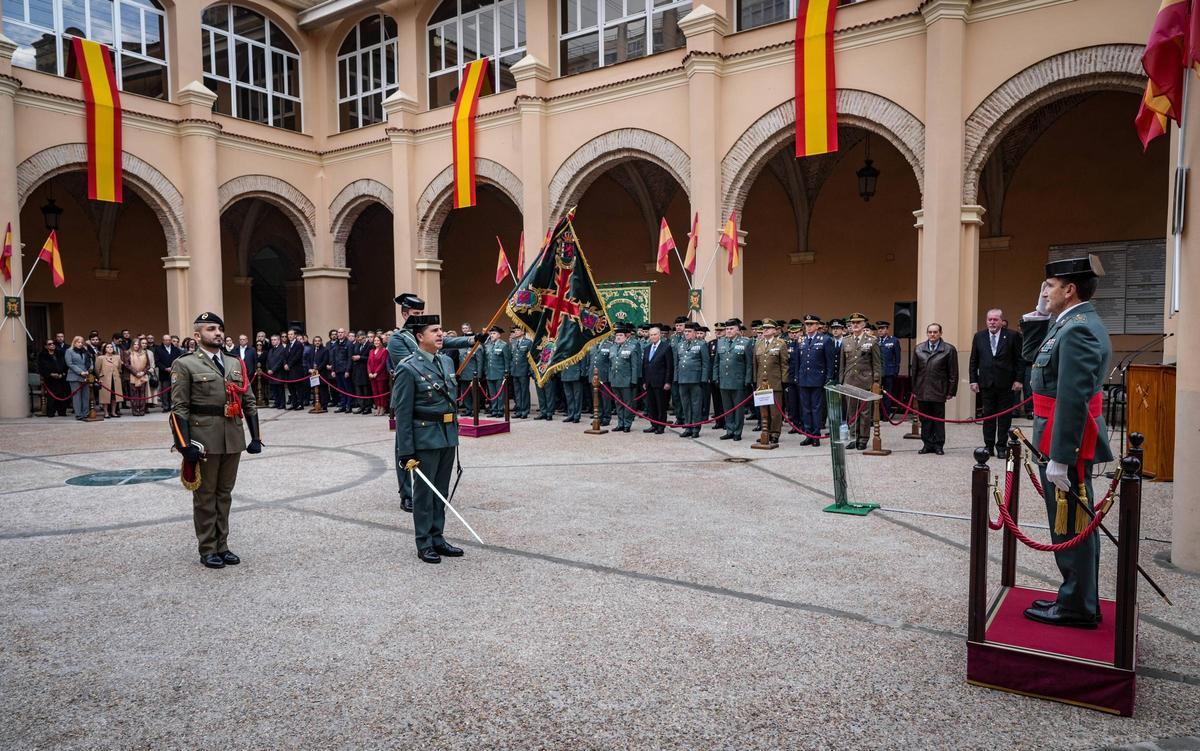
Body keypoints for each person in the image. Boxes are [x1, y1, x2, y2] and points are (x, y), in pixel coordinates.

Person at [1020, 255, 1112, 629]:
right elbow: (1033, 359)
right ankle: (1076, 596)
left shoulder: (1078, 329)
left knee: (1070, 521)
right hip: (1058, 430)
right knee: (1072, 520)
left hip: (1066, 436)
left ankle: (1077, 607)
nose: (1045, 291)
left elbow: (1073, 397)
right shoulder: (1070, 323)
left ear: (1070, 289)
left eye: (1051, 287)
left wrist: (1060, 456)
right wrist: (1038, 318)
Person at [169, 311, 263, 570]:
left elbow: (249, 401)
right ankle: (208, 548)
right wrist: (184, 444)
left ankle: (223, 545)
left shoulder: (235, 363)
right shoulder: (186, 364)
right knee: (205, 496)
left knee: (224, 494)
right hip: (204, 438)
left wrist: (255, 437)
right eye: (211, 329)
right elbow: (179, 408)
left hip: (232, 436)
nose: (218, 333)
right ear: (198, 335)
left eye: (220, 328)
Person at [392, 314, 467, 565]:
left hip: (447, 435)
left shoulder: (445, 362)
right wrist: (406, 451)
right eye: (434, 330)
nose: (440, 334)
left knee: (441, 492)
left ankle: (438, 537)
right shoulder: (408, 367)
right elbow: (402, 413)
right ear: (419, 337)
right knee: (424, 494)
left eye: (441, 330)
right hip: (424, 437)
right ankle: (423, 542)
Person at [970, 308, 1025, 458]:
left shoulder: (1013, 336)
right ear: (986, 321)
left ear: (1001, 321)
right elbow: (974, 360)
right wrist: (973, 380)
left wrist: (1019, 380)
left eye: (995, 320)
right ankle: (988, 446)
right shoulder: (979, 336)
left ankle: (1001, 446)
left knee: (1004, 417)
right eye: (990, 319)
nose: (992, 322)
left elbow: (1019, 360)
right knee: (988, 416)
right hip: (986, 383)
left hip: (1006, 384)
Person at [912, 323, 958, 455]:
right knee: (925, 419)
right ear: (927, 333)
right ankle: (927, 444)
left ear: (940, 333)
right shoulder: (919, 349)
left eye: (935, 332)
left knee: (938, 419)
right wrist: (914, 389)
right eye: (930, 332)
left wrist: (951, 391)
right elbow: (914, 371)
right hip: (922, 390)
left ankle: (938, 445)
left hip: (939, 389)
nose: (932, 334)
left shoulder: (949, 349)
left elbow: (953, 373)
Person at [839, 313, 881, 451]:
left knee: (864, 412)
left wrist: (876, 382)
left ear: (864, 325)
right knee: (852, 412)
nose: (855, 325)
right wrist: (841, 382)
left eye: (858, 322)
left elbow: (876, 364)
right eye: (853, 322)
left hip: (865, 380)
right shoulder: (845, 341)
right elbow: (842, 364)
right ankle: (853, 438)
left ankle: (863, 439)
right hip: (849, 380)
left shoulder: (872, 341)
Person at [794, 314, 837, 446]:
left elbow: (830, 362)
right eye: (806, 324)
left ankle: (816, 435)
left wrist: (829, 378)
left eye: (811, 324)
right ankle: (808, 434)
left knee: (816, 408)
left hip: (818, 379)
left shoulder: (825, 340)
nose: (808, 327)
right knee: (805, 408)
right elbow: (797, 361)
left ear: (818, 326)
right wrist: (797, 376)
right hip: (804, 379)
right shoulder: (801, 340)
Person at [714, 319, 753, 441]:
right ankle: (729, 430)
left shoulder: (746, 342)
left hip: (738, 381)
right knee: (727, 408)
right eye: (727, 329)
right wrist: (715, 377)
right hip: (724, 380)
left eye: (731, 329)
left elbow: (749, 364)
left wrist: (747, 380)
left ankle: (737, 431)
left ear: (737, 330)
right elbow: (716, 362)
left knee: (738, 408)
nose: (729, 331)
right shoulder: (721, 342)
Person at [752, 319, 788, 444]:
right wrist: (755, 380)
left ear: (774, 330)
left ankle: (775, 433)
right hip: (761, 383)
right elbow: (755, 364)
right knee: (763, 409)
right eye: (764, 327)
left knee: (775, 411)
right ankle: (765, 432)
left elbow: (784, 364)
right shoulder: (758, 344)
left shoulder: (781, 344)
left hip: (775, 382)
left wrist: (784, 381)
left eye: (768, 328)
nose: (765, 330)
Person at [674, 322, 710, 438]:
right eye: (686, 332)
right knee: (685, 404)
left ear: (695, 333)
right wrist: (676, 378)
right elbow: (677, 363)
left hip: (696, 379)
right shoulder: (680, 345)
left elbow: (705, 363)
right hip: (682, 379)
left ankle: (696, 428)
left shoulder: (701, 344)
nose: (687, 334)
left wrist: (704, 379)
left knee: (696, 405)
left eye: (689, 332)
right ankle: (688, 426)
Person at [608, 324, 641, 432]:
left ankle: (627, 424)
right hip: (615, 380)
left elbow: (634, 366)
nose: (618, 337)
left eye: (620, 335)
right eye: (617, 335)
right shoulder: (612, 347)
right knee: (618, 403)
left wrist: (634, 380)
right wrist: (610, 378)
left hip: (626, 380)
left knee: (627, 403)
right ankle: (620, 423)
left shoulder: (632, 347)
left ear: (626, 337)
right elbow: (610, 365)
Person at [641, 325, 674, 434]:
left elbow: (669, 366)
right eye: (651, 335)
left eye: (655, 334)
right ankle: (653, 425)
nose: (653, 336)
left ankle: (661, 426)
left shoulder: (666, 347)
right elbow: (645, 366)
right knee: (651, 406)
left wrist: (668, 381)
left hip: (661, 382)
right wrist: (645, 381)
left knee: (661, 406)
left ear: (659, 335)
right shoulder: (647, 348)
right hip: (650, 382)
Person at [483, 325, 511, 418]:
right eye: (491, 333)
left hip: (499, 373)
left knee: (500, 394)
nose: (491, 335)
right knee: (492, 394)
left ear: (499, 335)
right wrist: (486, 371)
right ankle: (494, 410)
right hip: (490, 373)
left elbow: (507, 360)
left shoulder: (503, 345)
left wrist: (506, 372)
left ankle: (500, 410)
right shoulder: (488, 345)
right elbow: (486, 360)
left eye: (494, 333)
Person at [38, 340, 70, 416]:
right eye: (49, 344)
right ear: (46, 346)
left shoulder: (60, 354)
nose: (52, 345)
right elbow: (41, 368)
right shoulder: (42, 355)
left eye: (53, 344)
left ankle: (62, 411)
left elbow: (65, 365)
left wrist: (62, 374)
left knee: (62, 394)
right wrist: (50, 374)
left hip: (61, 378)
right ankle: (51, 412)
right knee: (52, 396)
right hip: (50, 379)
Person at [589, 334, 615, 426]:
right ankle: (598, 416)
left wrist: (609, 376)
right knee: (596, 398)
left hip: (604, 377)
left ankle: (606, 418)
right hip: (593, 377)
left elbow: (611, 362)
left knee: (605, 398)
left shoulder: (610, 345)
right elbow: (590, 361)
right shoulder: (592, 345)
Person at [877, 321, 901, 418]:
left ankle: (886, 414)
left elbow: (897, 358)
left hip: (888, 372)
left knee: (887, 394)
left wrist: (896, 371)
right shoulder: (875, 340)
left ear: (887, 330)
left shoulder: (893, 341)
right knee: (876, 394)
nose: (880, 331)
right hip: (877, 372)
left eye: (882, 328)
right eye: (879, 329)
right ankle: (876, 414)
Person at [509, 326, 533, 418]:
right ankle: (519, 410)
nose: (516, 332)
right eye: (515, 330)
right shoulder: (514, 342)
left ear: (523, 332)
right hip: (515, 370)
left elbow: (530, 358)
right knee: (517, 392)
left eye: (518, 330)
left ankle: (525, 411)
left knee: (524, 391)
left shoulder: (528, 342)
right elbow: (512, 357)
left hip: (524, 370)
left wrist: (529, 370)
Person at [124, 339, 151, 416]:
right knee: (134, 394)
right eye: (134, 344)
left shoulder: (144, 353)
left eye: (138, 344)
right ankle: (135, 411)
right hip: (132, 376)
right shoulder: (128, 353)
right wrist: (136, 373)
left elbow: (148, 365)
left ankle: (142, 410)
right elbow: (127, 365)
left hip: (142, 375)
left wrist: (143, 372)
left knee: (142, 393)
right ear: (132, 345)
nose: (136, 346)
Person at [96, 343, 123, 418]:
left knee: (114, 396)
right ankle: (106, 413)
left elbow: (120, 368)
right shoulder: (100, 358)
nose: (110, 348)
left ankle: (113, 412)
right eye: (108, 347)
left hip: (115, 379)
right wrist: (100, 377)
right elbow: (97, 369)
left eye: (111, 347)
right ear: (105, 349)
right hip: (105, 379)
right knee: (105, 397)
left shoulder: (117, 357)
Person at [367, 334, 390, 415]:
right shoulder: (371, 351)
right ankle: (378, 406)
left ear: (381, 342)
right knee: (375, 392)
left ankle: (383, 407)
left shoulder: (384, 351)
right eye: (375, 341)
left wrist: (376, 373)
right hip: (372, 376)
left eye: (378, 341)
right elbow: (368, 363)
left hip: (381, 375)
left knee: (381, 392)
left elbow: (383, 363)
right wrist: (369, 372)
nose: (376, 342)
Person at [265, 334, 287, 409]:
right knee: (274, 389)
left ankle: (282, 403)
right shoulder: (271, 350)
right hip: (271, 373)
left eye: (275, 340)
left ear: (278, 340)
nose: (273, 341)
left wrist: (273, 370)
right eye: (272, 340)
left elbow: (280, 361)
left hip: (278, 373)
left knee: (280, 389)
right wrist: (268, 369)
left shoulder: (282, 349)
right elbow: (267, 361)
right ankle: (276, 402)